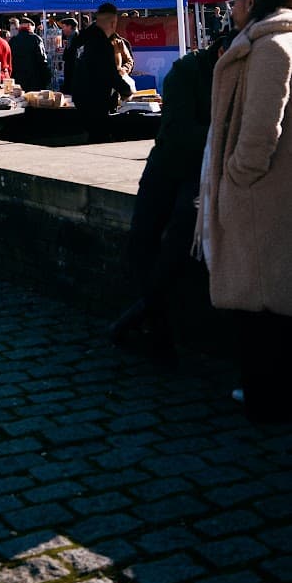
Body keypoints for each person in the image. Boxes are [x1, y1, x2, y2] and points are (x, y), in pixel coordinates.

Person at [195, 0, 292, 423]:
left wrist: (234, 177)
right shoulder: (273, 42)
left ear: (250, 2)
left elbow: (260, 131)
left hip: (261, 196)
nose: (227, 11)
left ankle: (265, 399)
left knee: (260, 307)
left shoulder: (272, 48)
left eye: (231, 2)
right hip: (273, 194)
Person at [111, 31, 229, 364]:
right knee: (142, 239)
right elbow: (179, 130)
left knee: (179, 242)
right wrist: (227, 132)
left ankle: (143, 314)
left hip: (201, 170)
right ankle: (157, 327)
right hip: (168, 163)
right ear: (220, 52)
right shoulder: (186, 70)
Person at [72, 2, 131, 140]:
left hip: (83, 96)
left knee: (94, 135)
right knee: (99, 137)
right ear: (111, 22)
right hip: (95, 99)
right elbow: (109, 72)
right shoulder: (100, 42)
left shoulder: (85, 37)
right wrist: (125, 90)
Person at [10, 18, 51, 90]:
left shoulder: (13, 40)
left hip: (18, 80)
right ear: (29, 26)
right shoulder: (36, 39)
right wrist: (47, 77)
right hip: (34, 80)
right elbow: (42, 60)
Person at [60, 18, 82, 94]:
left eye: (64, 27)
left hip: (74, 77)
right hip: (71, 76)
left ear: (69, 27)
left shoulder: (76, 38)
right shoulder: (71, 38)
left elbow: (76, 57)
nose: (62, 29)